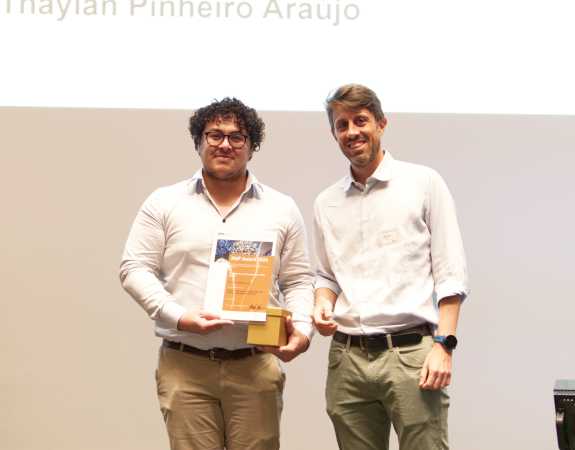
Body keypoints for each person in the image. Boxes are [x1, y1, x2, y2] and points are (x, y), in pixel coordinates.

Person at [120, 97, 313, 450]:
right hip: (185, 365)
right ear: (199, 141)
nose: (225, 144)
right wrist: (179, 316)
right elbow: (134, 268)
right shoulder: (164, 203)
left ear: (252, 147)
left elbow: (299, 280)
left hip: (254, 365)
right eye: (214, 135)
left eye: (237, 137)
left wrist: (301, 329)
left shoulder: (281, 208)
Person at [312, 84, 469, 450]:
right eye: (341, 125)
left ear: (381, 123)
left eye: (360, 121)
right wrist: (322, 302)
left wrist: (444, 345)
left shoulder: (423, 183)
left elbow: (451, 273)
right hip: (347, 359)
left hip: (412, 353)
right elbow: (326, 276)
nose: (352, 132)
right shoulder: (327, 202)